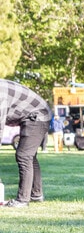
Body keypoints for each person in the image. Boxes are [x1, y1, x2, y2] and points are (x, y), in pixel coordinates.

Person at [1, 79, 53, 208]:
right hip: (33, 114)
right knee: (29, 156)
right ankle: (36, 194)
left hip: (38, 115)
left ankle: (22, 200)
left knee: (24, 156)